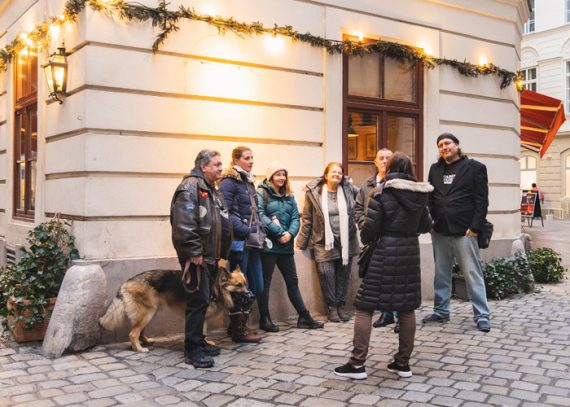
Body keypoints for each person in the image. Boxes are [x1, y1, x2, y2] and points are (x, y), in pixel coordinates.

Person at [334, 152, 433, 380]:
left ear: (390, 169)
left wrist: (379, 235)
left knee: (365, 306)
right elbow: (427, 225)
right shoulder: (421, 196)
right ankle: (402, 363)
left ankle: (357, 364)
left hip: (384, 252)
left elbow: (369, 232)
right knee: (407, 307)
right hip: (410, 252)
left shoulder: (382, 193)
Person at [422, 133, 491, 332]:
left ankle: (482, 315)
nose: (444, 147)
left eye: (447, 143)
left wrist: (476, 227)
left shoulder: (475, 168)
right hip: (440, 230)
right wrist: (430, 223)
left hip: (465, 231)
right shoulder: (435, 170)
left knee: (472, 274)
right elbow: (430, 198)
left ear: (457, 145)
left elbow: (481, 200)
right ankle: (441, 311)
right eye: (440, 145)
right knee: (441, 274)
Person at [170, 149, 232, 368]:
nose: (220, 168)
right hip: (197, 257)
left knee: (203, 300)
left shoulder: (210, 189)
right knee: (197, 302)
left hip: (210, 257)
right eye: (216, 164)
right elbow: (184, 225)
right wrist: (194, 253)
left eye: (220, 164)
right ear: (203, 166)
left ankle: (199, 341)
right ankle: (193, 349)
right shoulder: (190, 188)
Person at [256, 161, 325, 331]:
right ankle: (264, 319)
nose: (281, 178)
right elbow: (260, 215)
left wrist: (290, 234)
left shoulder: (289, 196)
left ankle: (304, 316)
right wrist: (279, 232)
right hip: (269, 246)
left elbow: (296, 217)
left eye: (283, 174)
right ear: (270, 176)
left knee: (292, 282)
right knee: (265, 283)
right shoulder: (261, 193)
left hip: (286, 246)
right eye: (278, 174)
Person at [297, 162, 360, 322]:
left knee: (343, 276)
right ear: (325, 175)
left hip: (346, 241)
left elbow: (365, 199)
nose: (337, 175)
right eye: (333, 172)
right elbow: (307, 218)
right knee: (327, 276)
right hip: (323, 242)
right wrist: (301, 241)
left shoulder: (349, 190)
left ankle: (341, 306)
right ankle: (331, 308)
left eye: (340, 172)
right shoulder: (314, 193)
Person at [219, 146, 263, 343]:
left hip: (254, 242)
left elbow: (255, 211)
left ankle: (238, 325)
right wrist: (245, 230)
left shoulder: (249, 181)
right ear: (236, 160)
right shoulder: (229, 182)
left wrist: (260, 231)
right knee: (239, 286)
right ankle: (239, 329)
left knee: (257, 285)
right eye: (247, 158)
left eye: (252, 158)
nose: (251, 161)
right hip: (239, 242)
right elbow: (225, 211)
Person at [354, 148, 399, 332]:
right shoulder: (368, 183)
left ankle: (399, 316)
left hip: (392, 238)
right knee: (379, 278)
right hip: (373, 239)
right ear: (375, 161)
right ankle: (386, 313)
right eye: (381, 158)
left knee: (395, 278)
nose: (384, 161)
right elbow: (357, 207)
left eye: (388, 158)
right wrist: (364, 224)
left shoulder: (397, 182)